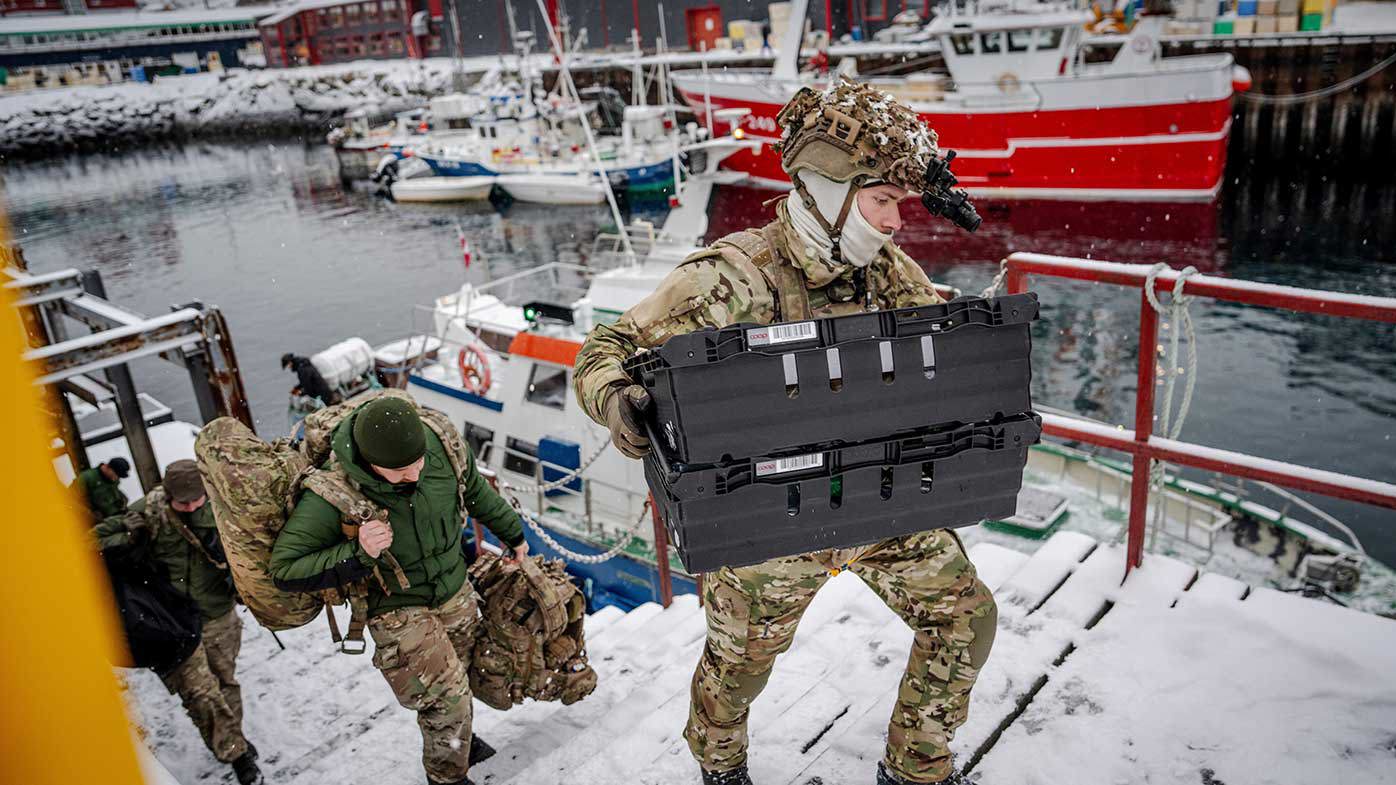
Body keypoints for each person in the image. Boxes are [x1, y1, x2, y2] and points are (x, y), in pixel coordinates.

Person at [572, 79, 998, 785]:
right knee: (735, 676)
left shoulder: (888, 275)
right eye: (883, 200)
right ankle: (720, 767)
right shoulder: (733, 277)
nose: (896, 222)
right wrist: (618, 400)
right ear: (828, 190)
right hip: (772, 516)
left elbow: (936, 354)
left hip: (876, 500)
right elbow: (604, 347)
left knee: (965, 616)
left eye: (901, 203)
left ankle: (917, 764)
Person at [269, 396, 528, 785]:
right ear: (371, 465)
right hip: (395, 605)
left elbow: (473, 490)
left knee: (463, 673)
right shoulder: (332, 492)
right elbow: (284, 570)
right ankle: (447, 778)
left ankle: (461, 739)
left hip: (452, 587)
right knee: (446, 698)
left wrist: (513, 533)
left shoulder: (439, 444)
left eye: (419, 462)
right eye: (401, 470)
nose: (416, 474)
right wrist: (359, 552)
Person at [93, 459, 262, 785]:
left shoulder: (221, 506)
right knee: (200, 694)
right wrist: (128, 537)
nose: (190, 506)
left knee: (224, 681)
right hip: (174, 623)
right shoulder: (148, 511)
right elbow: (88, 541)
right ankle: (235, 753)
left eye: (196, 499)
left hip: (217, 614)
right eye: (181, 502)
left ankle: (233, 736)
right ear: (167, 493)